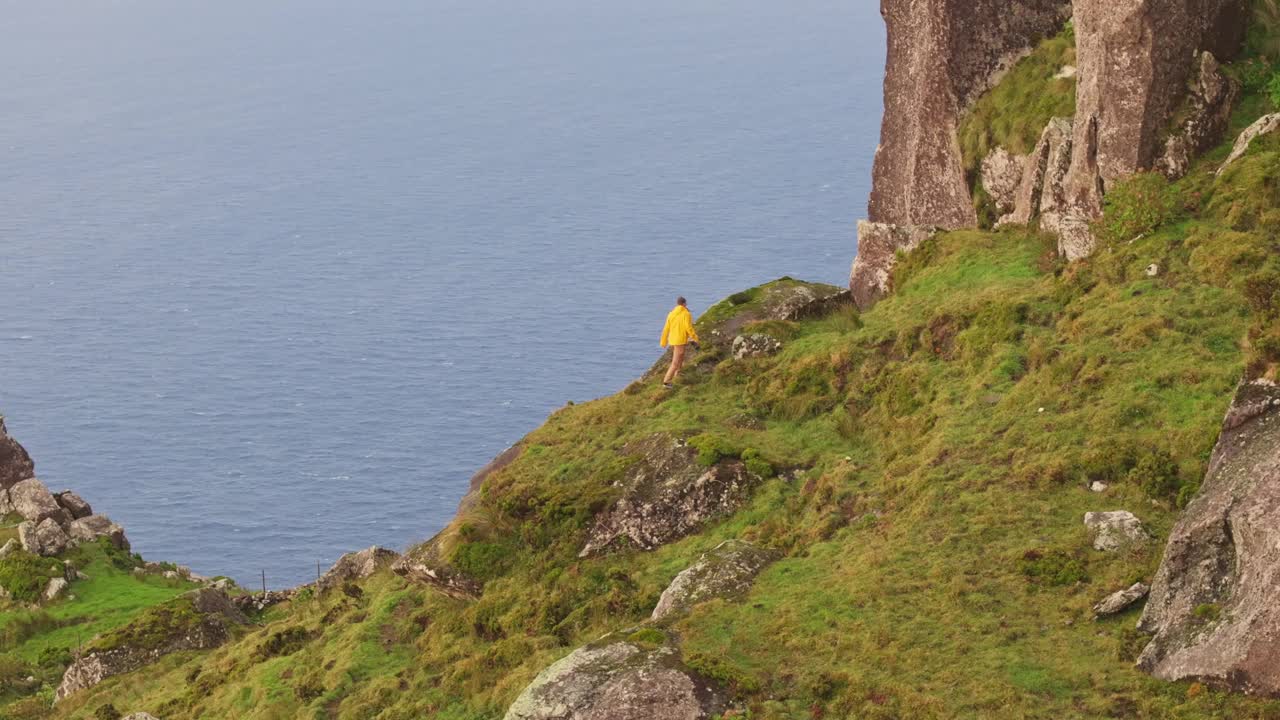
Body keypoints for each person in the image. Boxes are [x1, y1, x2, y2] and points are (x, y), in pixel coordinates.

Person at [659, 296, 699, 388]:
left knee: (681, 356)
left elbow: (666, 329)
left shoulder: (671, 314)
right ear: (684, 304)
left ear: (677, 304)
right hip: (680, 340)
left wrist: (663, 341)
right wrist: (695, 337)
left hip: (673, 339)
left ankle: (678, 374)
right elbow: (688, 328)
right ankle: (666, 381)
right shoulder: (686, 314)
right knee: (675, 362)